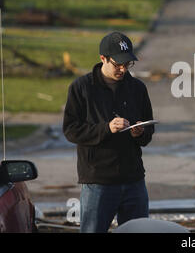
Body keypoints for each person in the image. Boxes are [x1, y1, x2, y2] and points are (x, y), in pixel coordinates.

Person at [63, 31, 154, 233]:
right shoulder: (81, 87)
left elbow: (149, 130)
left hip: (134, 178)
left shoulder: (137, 88)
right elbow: (71, 130)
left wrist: (140, 132)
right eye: (117, 64)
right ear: (103, 58)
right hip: (98, 181)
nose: (122, 69)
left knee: (139, 230)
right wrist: (106, 128)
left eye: (127, 64)